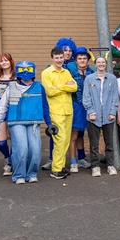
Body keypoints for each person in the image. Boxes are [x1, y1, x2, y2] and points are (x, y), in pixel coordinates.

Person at [0, 61, 54, 184]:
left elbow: (44, 107)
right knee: (21, 148)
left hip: (34, 122)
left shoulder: (39, 87)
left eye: (28, 69)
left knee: (35, 149)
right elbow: (2, 106)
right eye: (22, 69)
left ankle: (32, 173)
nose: (25, 72)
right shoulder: (11, 87)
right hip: (16, 122)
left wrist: (49, 124)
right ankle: (19, 174)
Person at [42, 47, 78, 179]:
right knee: (60, 140)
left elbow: (74, 87)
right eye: (56, 58)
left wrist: (59, 86)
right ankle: (56, 169)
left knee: (66, 140)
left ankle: (61, 166)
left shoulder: (66, 72)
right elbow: (50, 91)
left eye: (61, 57)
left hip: (68, 110)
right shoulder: (46, 73)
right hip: (56, 111)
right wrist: (66, 86)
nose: (59, 60)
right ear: (52, 58)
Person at [82, 56, 119, 176]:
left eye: (103, 62)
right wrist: (91, 112)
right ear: (95, 64)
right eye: (99, 62)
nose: (101, 64)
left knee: (109, 143)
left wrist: (113, 112)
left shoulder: (112, 78)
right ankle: (95, 166)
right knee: (94, 144)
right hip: (94, 116)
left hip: (108, 115)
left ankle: (110, 165)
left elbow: (115, 97)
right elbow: (86, 97)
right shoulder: (89, 79)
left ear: (106, 64)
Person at [67, 47, 92, 173]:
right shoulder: (70, 73)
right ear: (76, 60)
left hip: (89, 106)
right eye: (80, 58)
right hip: (76, 106)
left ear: (88, 60)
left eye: (84, 58)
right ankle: (73, 161)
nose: (82, 60)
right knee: (74, 134)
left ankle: (82, 158)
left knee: (82, 134)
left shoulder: (92, 72)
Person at [0, 53, 16, 175]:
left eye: (6, 60)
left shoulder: (17, 77)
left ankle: (10, 163)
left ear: (11, 61)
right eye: (1, 61)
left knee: (15, 139)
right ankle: (7, 157)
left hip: (14, 111)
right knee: (1, 142)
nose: (4, 63)